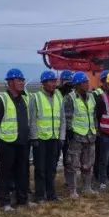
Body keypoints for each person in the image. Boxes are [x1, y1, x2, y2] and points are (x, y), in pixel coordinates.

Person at [0, 68, 32, 211]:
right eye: (19, 80)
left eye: (22, 80)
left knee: (22, 171)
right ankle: (5, 202)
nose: (22, 82)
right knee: (6, 173)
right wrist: (3, 136)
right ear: (10, 82)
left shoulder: (25, 99)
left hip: (22, 142)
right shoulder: (2, 100)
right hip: (8, 143)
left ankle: (22, 199)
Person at [29, 70, 66, 202]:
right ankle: (39, 195)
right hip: (40, 139)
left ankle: (51, 194)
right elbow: (32, 119)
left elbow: (62, 119)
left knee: (52, 168)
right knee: (40, 169)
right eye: (50, 82)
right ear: (44, 83)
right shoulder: (36, 97)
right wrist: (34, 137)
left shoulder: (59, 96)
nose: (53, 84)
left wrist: (61, 137)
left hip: (54, 138)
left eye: (54, 81)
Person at [64, 72, 98, 198]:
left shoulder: (91, 97)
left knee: (88, 163)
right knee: (73, 164)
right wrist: (70, 131)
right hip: (77, 136)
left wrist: (95, 129)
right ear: (77, 85)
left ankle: (87, 187)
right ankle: (72, 190)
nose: (87, 84)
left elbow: (93, 115)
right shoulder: (70, 98)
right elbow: (67, 117)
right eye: (84, 82)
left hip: (90, 136)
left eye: (87, 82)